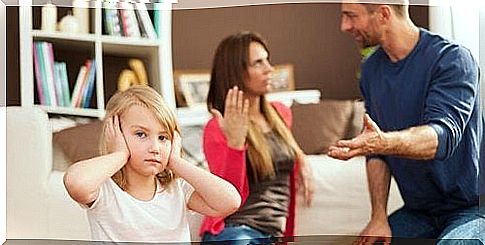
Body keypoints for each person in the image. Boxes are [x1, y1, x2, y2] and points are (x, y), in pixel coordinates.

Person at [328, 0, 484, 244]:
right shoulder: (371, 70)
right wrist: (378, 216)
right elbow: (376, 151)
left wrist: (381, 143)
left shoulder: (452, 59)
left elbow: (441, 139)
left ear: (383, 14)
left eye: (351, 16)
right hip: (419, 213)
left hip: (472, 209)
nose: (344, 26)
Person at [63, 85, 241, 243]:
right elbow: (76, 183)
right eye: (141, 134)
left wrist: (175, 161)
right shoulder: (105, 191)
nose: (155, 147)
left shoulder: (178, 190)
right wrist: (120, 154)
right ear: (115, 134)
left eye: (163, 138)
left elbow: (230, 202)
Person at [199, 31, 315, 243]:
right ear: (237, 72)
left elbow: (285, 153)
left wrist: (302, 159)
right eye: (258, 63)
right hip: (234, 232)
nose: (269, 69)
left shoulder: (280, 113)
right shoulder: (216, 128)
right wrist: (235, 143)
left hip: (270, 236)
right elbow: (227, 198)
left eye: (267, 60)